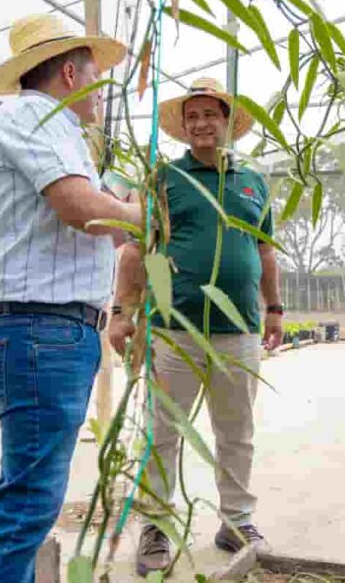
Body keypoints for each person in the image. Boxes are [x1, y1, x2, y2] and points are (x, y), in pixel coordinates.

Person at [0, 13, 138, 582]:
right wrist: (142, 216)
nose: (102, 87)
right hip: (41, 331)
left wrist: (129, 212)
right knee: (30, 502)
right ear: (70, 73)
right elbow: (82, 209)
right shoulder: (33, 116)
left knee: (30, 495)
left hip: (52, 332)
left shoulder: (58, 131)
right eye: (96, 74)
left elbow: (101, 221)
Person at [108, 77, 283, 576]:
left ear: (227, 122)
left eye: (210, 114)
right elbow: (137, 249)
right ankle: (155, 526)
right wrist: (123, 313)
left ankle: (236, 521)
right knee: (163, 430)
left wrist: (274, 307)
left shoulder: (253, 182)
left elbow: (264, 250)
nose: (202, 123)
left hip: (240, 328)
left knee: (236, 431)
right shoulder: (164, 179)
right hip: (174, 325)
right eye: (193, 116)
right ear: (183, 128)